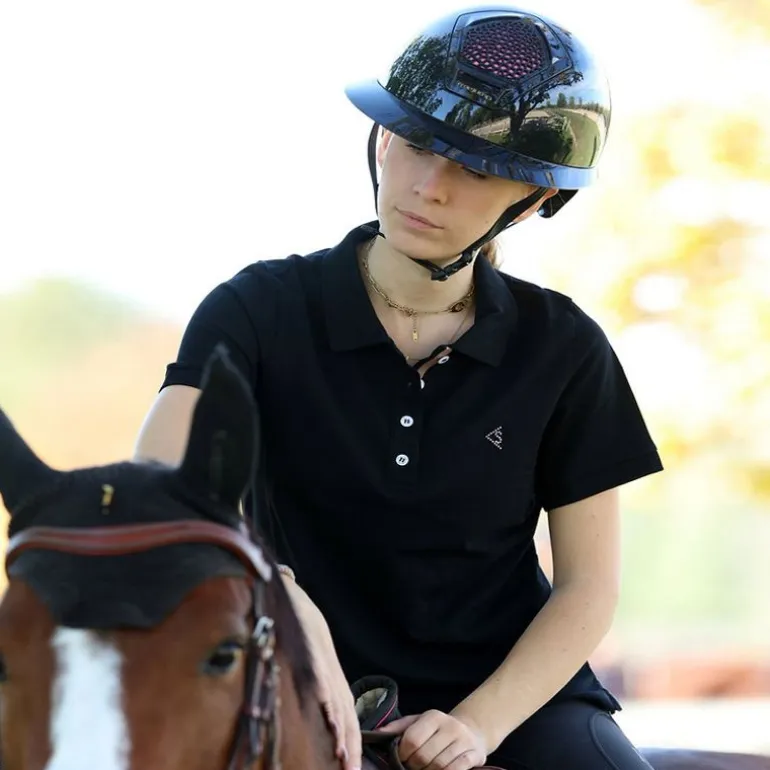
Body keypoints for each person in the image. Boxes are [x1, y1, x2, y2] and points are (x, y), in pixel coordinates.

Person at [134, 6, 663, 770]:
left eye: (475, 169)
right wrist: (275, 587)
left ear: (538, 199)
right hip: (279, 675)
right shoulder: (255, 309)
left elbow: (589, 589)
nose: (428, 187)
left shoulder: (566, 348)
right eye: (415, 145)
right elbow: (160, 486)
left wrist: (480, 723)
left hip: (514, 695)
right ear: (381, 138)